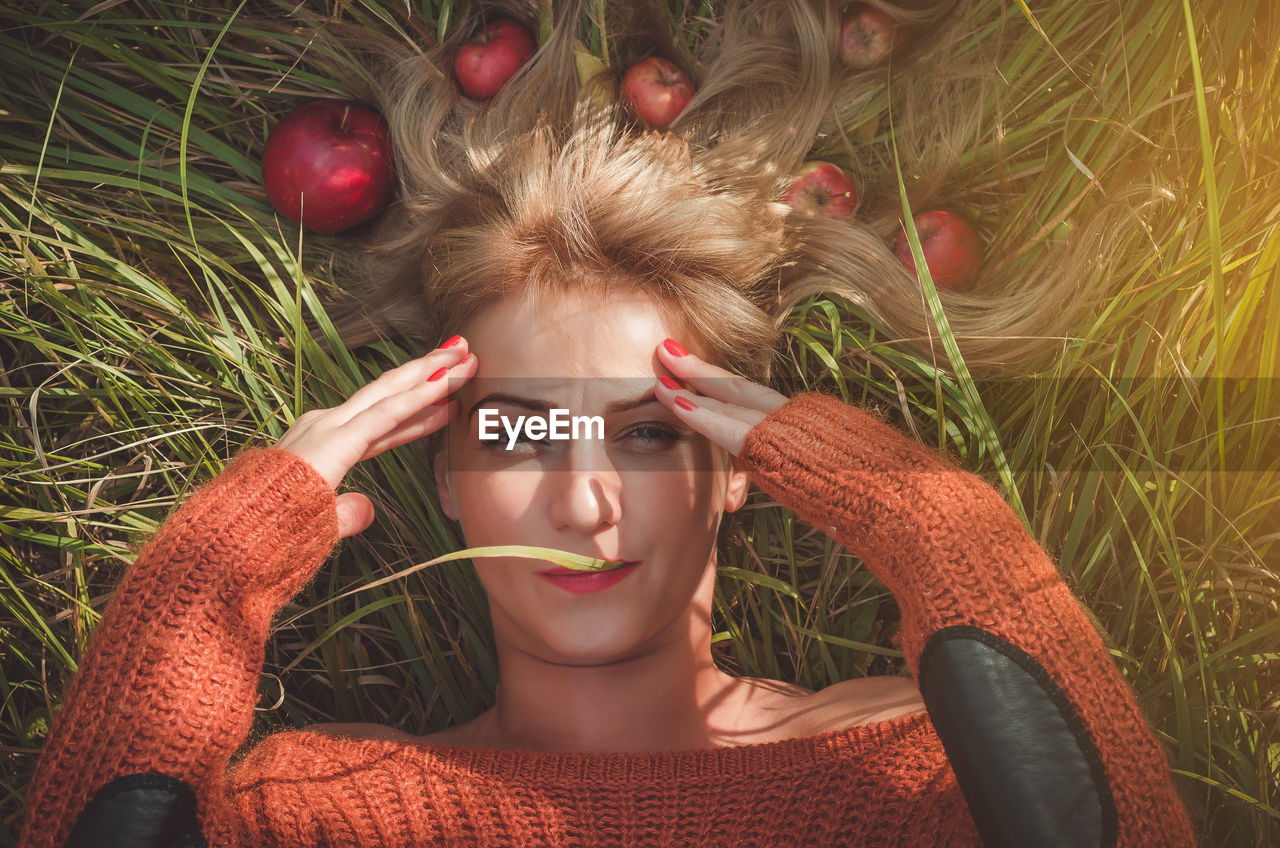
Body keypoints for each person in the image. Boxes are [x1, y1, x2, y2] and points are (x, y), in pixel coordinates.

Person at [19, 1, 1197, 845]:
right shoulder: (319, 808)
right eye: (521, 432)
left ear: (745, 467)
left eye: (645, 432)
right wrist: (210, 568)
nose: (584, 502)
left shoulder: (920, 770)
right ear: (445, 471)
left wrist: (940, 525)